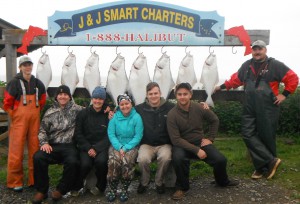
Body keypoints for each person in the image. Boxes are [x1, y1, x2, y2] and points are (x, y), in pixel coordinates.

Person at [214, 40, 299, 180]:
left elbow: (293, 78)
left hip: (268, 107)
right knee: (247, 133)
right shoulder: (246, 66)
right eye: (255, 49)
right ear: (252, 51)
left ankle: (261, 168)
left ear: (265, 50)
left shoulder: (275, 65)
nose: (257, 52)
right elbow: (235, 80)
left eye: (260, 49)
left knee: (266, 136)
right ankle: (270, 161)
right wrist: (221, 87)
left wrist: (284, 94)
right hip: (249, 106)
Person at [167, 82, 239, 200]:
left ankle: (222, 181)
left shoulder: (199, 107)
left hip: (199, 142)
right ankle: (182, 187)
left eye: (185, 94)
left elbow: (214, 120)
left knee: (220, 160)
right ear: (176, 96)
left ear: (190, 94)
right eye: (179, 94)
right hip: (181, 145)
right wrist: (196, 151)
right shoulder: (172, 114)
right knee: (178, 158)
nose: (182, 96)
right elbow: (175, 139)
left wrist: (210, 138)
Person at [31, 85, 83, 203]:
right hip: (52, 145)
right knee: (38, 157)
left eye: (65, 94)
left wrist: (106, 109)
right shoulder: (49, 111)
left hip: (69, 145)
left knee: (73, 162)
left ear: (69, 97)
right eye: (60, 94)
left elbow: (93, 109)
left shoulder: (78, 109)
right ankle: (42, 190)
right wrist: (44, 143)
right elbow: (42, 130)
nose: (62, 97)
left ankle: (61, 189)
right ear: (56, 97)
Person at [2, 56, 46, 192]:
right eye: (25, 65)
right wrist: (14, 115)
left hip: (34, 120)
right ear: (20, 67)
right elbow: (7, 103)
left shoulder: (38, 83)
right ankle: (15, 182)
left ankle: (34, 180)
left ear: (32, 67)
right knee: (16, 151)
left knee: (35, 150)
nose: (28, 67)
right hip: (18, 121)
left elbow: (43, 100)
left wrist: (34, 113)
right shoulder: (13, 83)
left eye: (29, 65)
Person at [135, 82, 175, 194]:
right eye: (150, 93)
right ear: (147, 95)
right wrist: (110, 112)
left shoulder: (170, 107)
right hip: (146, 144)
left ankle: (159, 182)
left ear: (160, 93)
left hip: (164, 144)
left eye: (155, 93)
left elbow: (184, 108)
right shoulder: (139, 108)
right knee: (142, 159)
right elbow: (124, 110)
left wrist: (203, 105)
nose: (153, 96)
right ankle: (144, 182)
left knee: (166, 157)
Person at [106, 94, 143, 202]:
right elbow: (111, 134)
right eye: (122, 104)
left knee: (127, 162)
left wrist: (126, 148)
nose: (124, 106)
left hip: (131, 145)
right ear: (119, 106)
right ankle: (112, 189)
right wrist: (120, 147)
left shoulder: (137, 117)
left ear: (131, 103)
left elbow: (138, 135)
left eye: (127, 103)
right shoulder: (114, 117)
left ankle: (124, 189)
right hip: (116, 145)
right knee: (113, 162)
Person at [74, 86, 110, 196]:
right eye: (95, 98)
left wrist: (96, 148)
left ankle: (101, 186)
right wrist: (88, 148)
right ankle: (77, 186)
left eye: (100, 99)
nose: (97, 101)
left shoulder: (108, 114)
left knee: (101, 162)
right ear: (92, 98)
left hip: (101, 147)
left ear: (103, 100)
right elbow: (78, 134)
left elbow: (109, 135)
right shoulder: (83, 114)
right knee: (85, 164)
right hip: (86, 147)